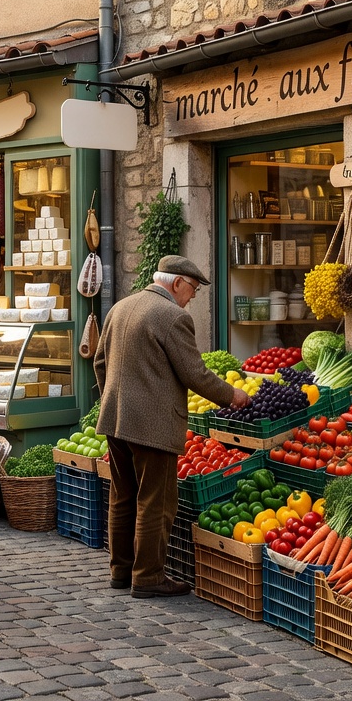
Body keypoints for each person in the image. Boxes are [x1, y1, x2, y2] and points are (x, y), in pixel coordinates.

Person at [94, 255, 247, 598]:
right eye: (192, 289)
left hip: (115, 419)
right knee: (155, 501)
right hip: (152, 425)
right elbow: (195, 373)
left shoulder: (121, 307)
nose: (192, 297)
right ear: (176, 282)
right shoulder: (172, 316)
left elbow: (100, 362)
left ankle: (120, 571)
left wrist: (112, 400)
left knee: (122, 495)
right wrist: (232, 396)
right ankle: (147, 578)